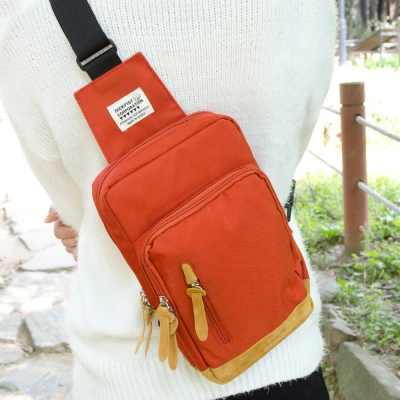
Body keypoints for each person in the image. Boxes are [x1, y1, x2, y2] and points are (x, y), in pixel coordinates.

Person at [0, 1, 337, 398]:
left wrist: (87, 218)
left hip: (130, 368)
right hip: (284, 334)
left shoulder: (23, 11)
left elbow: (67, 193)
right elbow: (292, 139)